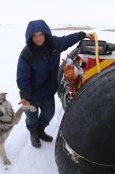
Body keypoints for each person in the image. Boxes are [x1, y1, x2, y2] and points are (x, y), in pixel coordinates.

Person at [16, 19, 92, 148]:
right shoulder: (26, 54)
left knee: (49, 113)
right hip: (32, 95)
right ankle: (33, 132)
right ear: (30, 37)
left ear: (45, 33)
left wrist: (83, 35)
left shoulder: (54, 44)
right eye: (34, 36)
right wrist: (25, 96)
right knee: (31, 118)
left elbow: (68, 40)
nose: (38, 38)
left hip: (48, 91)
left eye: (40, 34)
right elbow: (23, 77)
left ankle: (41, 129)